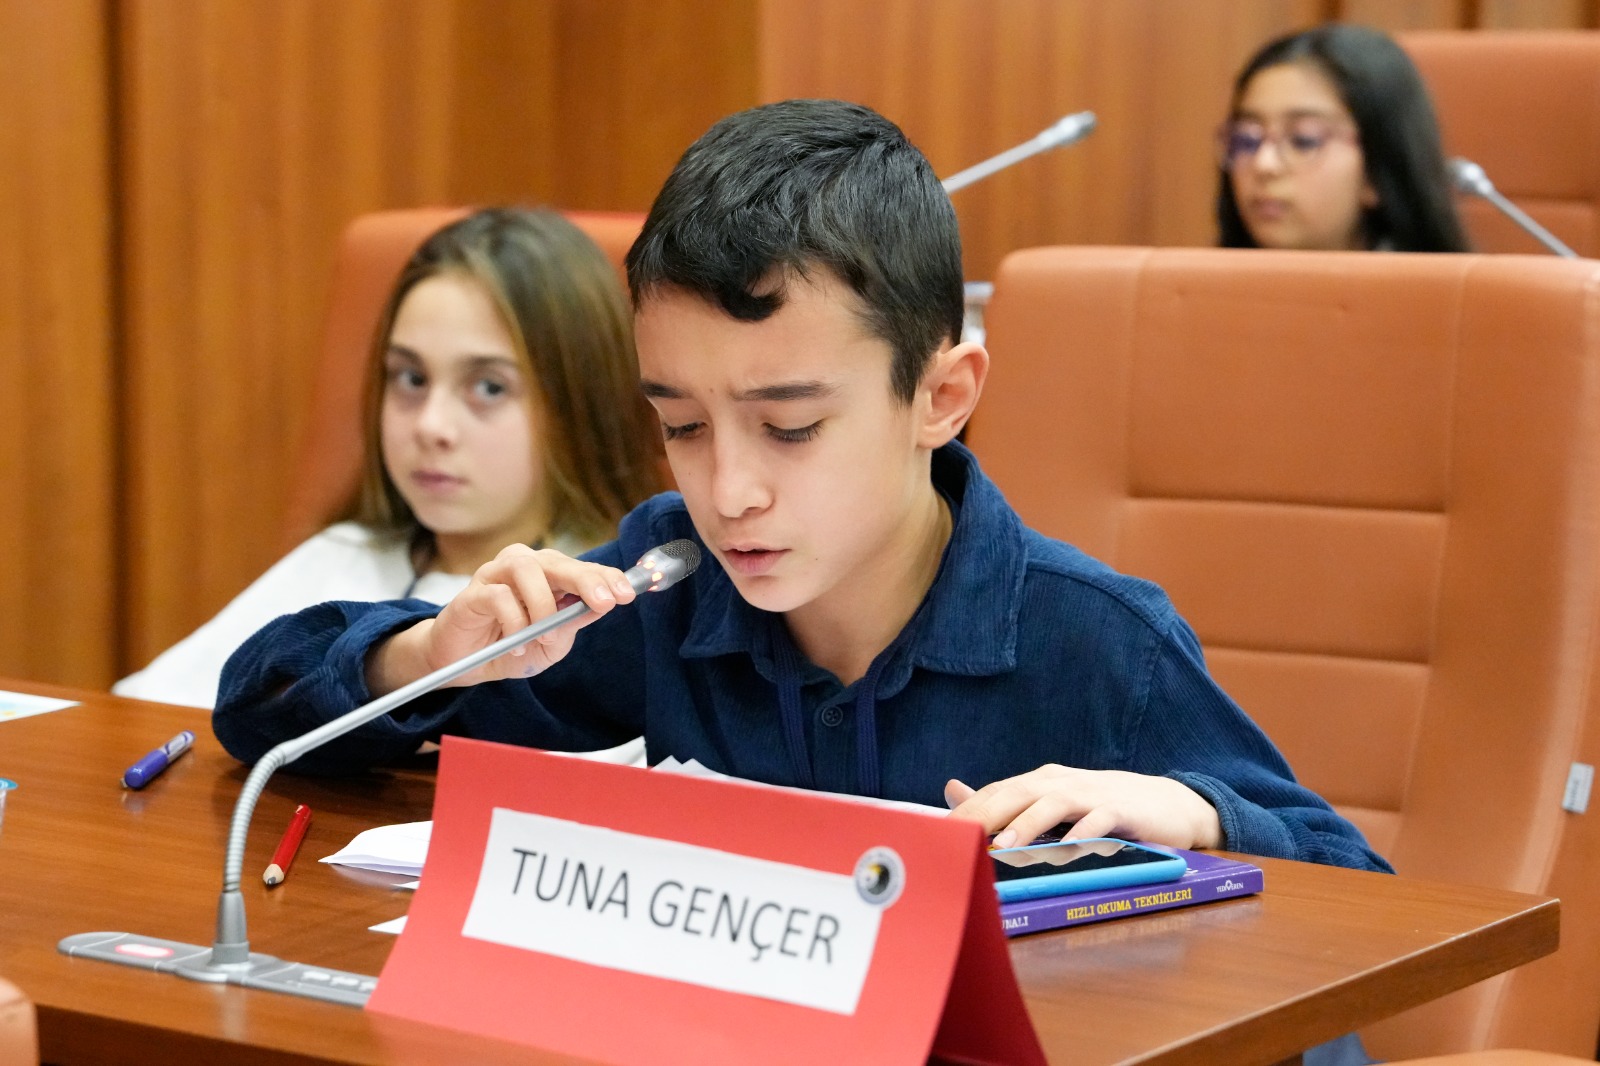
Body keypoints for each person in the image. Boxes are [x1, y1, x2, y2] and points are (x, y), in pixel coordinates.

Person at [214, 100, 1387, 877]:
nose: (729, 492)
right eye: (680, 425)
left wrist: (1197, 818)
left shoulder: (1098, 644)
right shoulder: (667, 588)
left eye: (789, 427)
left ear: (940, 396)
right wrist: (426, 655)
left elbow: (1359, 896)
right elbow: (256, 711)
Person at [115, 208, 665, 710]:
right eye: (411, 378)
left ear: (579, 404)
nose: (430, 426)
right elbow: (140, 713)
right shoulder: (342, 557)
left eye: (489, 387)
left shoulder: (607, 601)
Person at [1217, 23, 1469, 253]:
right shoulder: (1205, 284)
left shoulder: (1443, 289)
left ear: (1376, 170)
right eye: (1245, 140)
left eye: (1303, 140)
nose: (1264, 164)